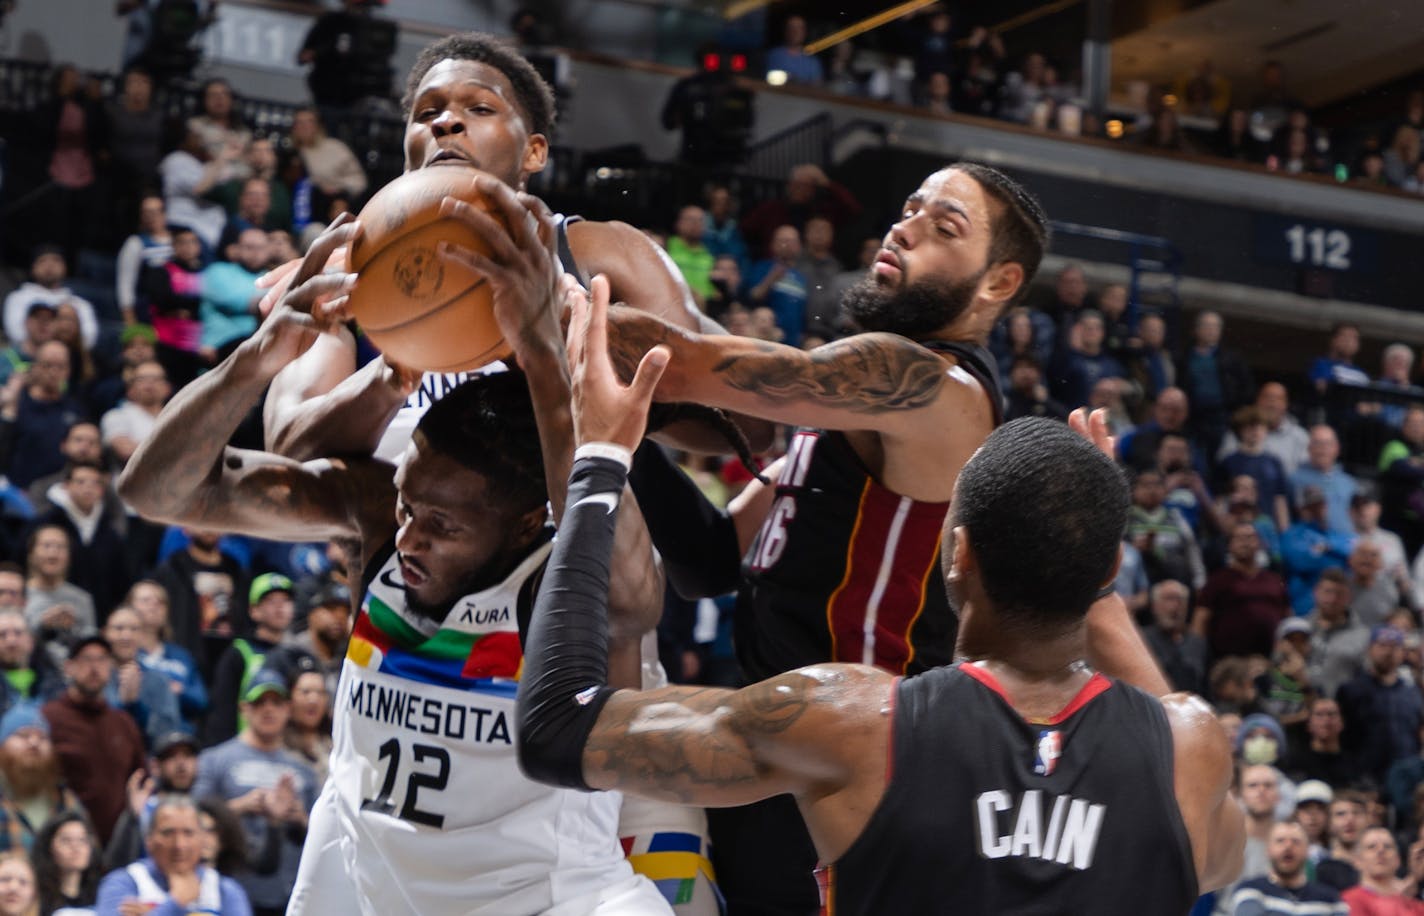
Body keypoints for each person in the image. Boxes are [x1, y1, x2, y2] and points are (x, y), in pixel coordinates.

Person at [516, 303, 1243, 914]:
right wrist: (1095, 569)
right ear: (1110, 570)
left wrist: (602, 459)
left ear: (956, 556)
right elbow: (1219, 853)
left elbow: (558, 728)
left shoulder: (852, 722)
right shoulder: (1194, 752)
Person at [119, 216, 671, 912]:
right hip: (365, 879)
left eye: (443, 525)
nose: (411, 538)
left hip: (544, 899)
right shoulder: (378, 515)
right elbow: (154, 490)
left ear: (530, 521)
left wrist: (540, 352)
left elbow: (632, 597)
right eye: (411, 508)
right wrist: (256, 358)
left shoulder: (568, 578)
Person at [192, 670, 316, 916]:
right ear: (244, 709)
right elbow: (192, 817)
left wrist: (299, 817)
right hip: (232, 889)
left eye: (277, 703)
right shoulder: (214, 759)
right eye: (260, 703)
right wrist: (242, 806)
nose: (268, 710)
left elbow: (325, 833)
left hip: (290, 893)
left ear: (288, 709)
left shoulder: (305, 771)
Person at [42, 636, 147, 846]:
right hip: (65, 841)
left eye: (102, 660)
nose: (94, 667)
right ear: (68, 667)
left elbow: (142, 777)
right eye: (86, 660)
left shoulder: (122, 722)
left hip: (119, 843)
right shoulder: (48, 718)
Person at [94, 795, 251, 916]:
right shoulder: (123, 883)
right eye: (168, 833)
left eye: (188, 833)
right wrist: (176, 901)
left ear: (202, 839)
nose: (179, 845)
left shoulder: (225, 890)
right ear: (149, 840)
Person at [0, 703, 86, 856]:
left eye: (42, 737)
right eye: (23, 735)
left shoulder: (66, 802)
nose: (34, 743)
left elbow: (91, 862)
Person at [1229, 820, 1346, 915]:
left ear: (1307, 851)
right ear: (1268, 849)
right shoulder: (1250, 890)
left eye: (1296, 842)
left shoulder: (1330, 899)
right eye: (1280, 841)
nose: (1288, 846)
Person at [1339, 827, 1424, 914]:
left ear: (1398, 859)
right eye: (1371, 847)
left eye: (1387, 846)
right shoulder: (1350, 900)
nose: (1381, 850)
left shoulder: (1417, 907)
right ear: (1357, 860)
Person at [33, 811, 101, 915]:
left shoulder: (102, 893)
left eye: (82, 840)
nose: (75, 847)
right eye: (66, 840)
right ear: (48, 847)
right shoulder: (36, 897)